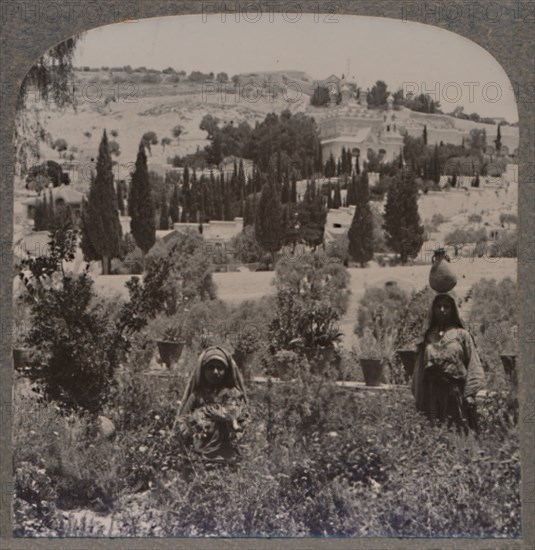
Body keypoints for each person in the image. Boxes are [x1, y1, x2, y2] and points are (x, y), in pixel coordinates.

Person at [412, 293, 485, 435]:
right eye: (438, 306)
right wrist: (419, 396)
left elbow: (473, 363)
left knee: (458, 433)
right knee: (435, 434)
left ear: (453, 310)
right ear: (433, 310)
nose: (442, 310)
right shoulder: (427, 337)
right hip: (432, 394)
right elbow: (419, 369)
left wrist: (470, 393)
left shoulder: (462, 335)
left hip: (455, 393)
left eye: (447, 306)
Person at [174, 346, 248, 464]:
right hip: (200, 456)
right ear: (203, 371)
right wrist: (198, 419)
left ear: (227, 370)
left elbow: (244, 423)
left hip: (227, 456)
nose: (215, 372)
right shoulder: (197, 395)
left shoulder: (234, 394)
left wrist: (228, 419)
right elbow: (181, 422)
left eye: (220, 368)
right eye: (210, 367)